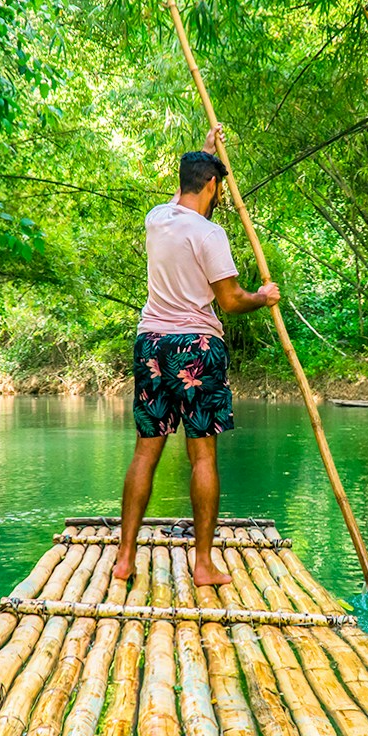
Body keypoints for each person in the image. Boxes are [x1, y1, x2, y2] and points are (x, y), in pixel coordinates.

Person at [113, 124, 280, 587]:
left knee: (145, 453)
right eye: (217, 185)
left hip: (150, 343)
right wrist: (263, 296)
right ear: (213, 185)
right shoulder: (210, 234)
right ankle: (202, 564)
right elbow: (229, 300)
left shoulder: (157, 217)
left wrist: (206, 154)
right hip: (196, 346)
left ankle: (125, 557)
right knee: (202, 457)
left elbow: (181, 196)